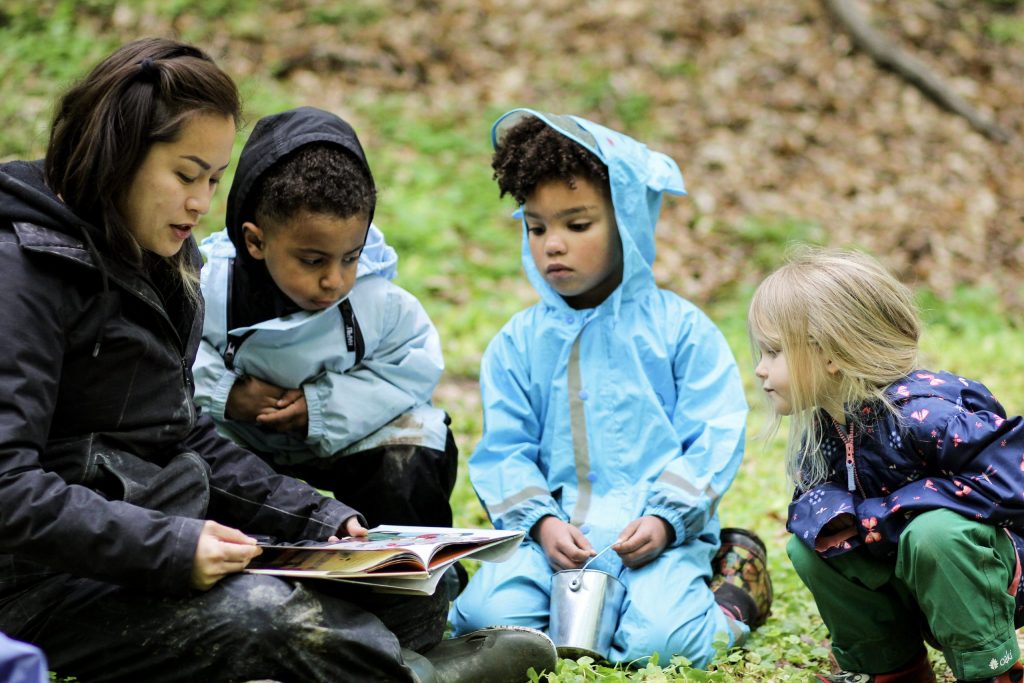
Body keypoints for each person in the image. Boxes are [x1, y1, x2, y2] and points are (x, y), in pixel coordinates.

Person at [0, 38, 555, 683]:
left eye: (213, 178)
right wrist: (171, 547)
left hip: (164, 534)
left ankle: (370, 659)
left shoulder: (154, 250)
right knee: (270, 618)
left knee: (413, 593)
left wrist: (325, 522)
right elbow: (7, 488)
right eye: (185, 175)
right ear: (118, 154)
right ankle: (413, 677)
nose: (201, 204)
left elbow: (183, 435)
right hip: (42, 583)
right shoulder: (22, 269)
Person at [449, 109, 773, 667]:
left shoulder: (681, 331)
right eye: (537, 226)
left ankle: (736, 586)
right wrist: (542, 522)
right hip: (552, 543)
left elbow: (714, 435)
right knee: (480, 620)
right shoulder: (518, 343)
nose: (554, 245)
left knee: (665, 646)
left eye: (577, 226)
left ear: (628, 222)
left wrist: (667, 517)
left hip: (653, 537)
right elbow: (504, 450)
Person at [748, 247, 1024, 683]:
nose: (761, 370)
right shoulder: (824, 427)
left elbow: (1016, 482)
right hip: (908, 577)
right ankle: (893, 670)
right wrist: (833, 515)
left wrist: (892, 510)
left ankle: (990, 670)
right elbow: (812, 504)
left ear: (831, 355)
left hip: (990, 576)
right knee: (810, 545)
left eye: (773, 352)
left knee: (935, 533)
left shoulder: (926, 417)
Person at [193, 106, 457, 532]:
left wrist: (320, 408)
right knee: (186, 459)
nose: (334, 280)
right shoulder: (211, 289)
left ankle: (405, 572)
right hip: (242, 443)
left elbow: (409, 372)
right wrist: (226, 393)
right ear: (256, 241)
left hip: (346, 435)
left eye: (350, 257)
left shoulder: (379, 303)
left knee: (415, 445)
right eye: (313, 260)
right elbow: (170, 357)